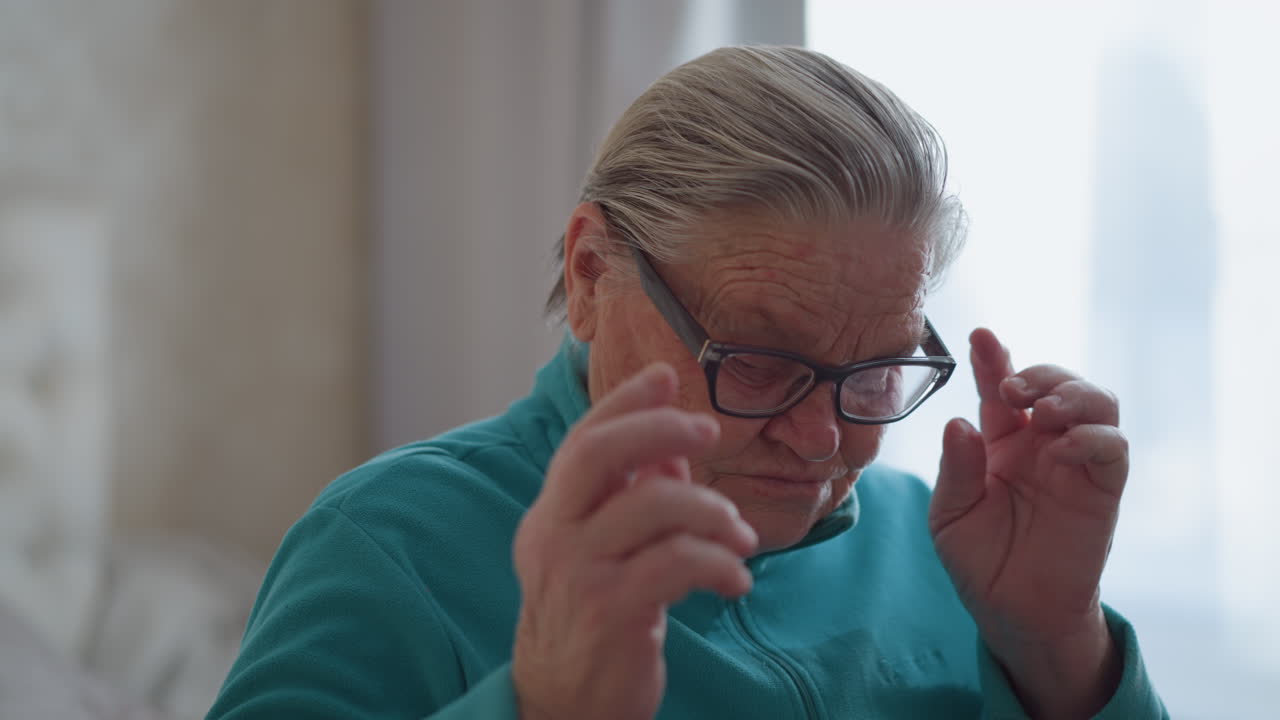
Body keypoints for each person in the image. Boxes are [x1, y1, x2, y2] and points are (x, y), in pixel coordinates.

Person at [207, 46, 1168, 719]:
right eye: (759, 361)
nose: (821, 440)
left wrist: (1060, 647)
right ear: (591, 275)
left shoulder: (953, 552)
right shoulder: (390, 547)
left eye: (872, 372)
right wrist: (539, 708)